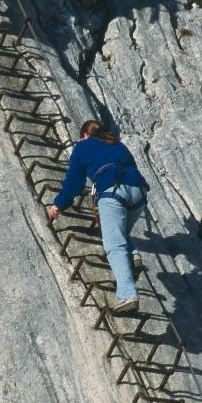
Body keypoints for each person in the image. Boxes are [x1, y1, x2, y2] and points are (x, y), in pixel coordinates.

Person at [48, 120, 149, 314]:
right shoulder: (117, 144)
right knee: (121, 233)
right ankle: (133, 253)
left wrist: (59, 204)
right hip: (138, 192)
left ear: (85, 134)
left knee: (113, 245)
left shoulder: (82, 147)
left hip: (111, 191)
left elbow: (74, 183)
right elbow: (133, 168)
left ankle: (127, 294)